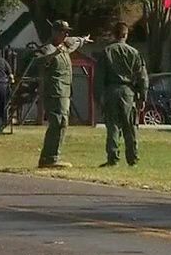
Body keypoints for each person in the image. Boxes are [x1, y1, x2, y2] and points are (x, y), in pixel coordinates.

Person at [35, 20, 89, 169]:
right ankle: (51, 157)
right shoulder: (48, 48)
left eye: (67, 32)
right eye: (62, 32)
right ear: (54, 32)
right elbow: (37, 61)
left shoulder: (65, 46)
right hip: (55, 92)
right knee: (58, 123)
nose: (66, 34)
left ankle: (49, 157)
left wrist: (83, 39)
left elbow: (75, 41)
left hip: (64, 92)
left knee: (62, 123)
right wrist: (53, 55)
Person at [99, 22, 148, 167]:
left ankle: (113, 158)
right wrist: (142, 96)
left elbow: (99, 77)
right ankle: (133, 158)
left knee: (113, 125)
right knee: (130, 126)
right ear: (126, 35)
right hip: (128, 92)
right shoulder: (134, 53)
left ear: (114, 34)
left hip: (111, 90)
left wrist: (98, 96)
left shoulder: (107, 51)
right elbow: (142, 77)